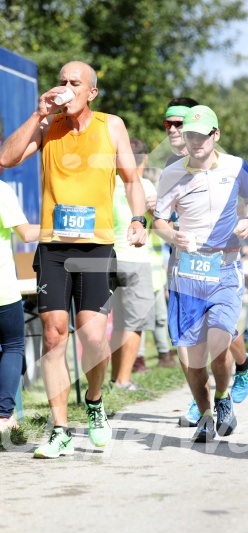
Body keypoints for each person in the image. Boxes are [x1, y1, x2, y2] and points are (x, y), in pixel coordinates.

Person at [0, 61, 147, 458]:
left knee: (93, 337)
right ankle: (60, 427)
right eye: (61, 81)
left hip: (96, 246)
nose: (64, 87)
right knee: (53, 335)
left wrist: (137, 219)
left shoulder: (110, 125)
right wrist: (38, 113)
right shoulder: (48, 127)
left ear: (91, 92)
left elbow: (132, 181)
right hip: (53, 246)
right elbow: (6, 160)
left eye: (73, 83)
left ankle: (95, 403)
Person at [154, 105, 248, 442]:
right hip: (187, 275)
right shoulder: (172, 174)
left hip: (225, 269)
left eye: (203, 135)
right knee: (194, 356)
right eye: (190, 135)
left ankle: (223, 396)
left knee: (218, 343)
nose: (196, 141)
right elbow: (158, 220)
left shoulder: (235, 167)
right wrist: (172, 235)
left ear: (216, 135)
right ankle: (204, 415)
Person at [109, 138, 155, 389]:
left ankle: (115, 377)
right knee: (136, 323)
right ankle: (124, 381)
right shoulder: (145, 184)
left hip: (112, 258)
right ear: (144, 160)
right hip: (135, 259)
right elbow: (159, 219)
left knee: (119, 324)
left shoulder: (111, 182)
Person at [0, 180, 39, 432]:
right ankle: (3, 416)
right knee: (13, 345)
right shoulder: (2, 190)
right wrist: (58, 224)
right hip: (3, 289)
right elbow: (26, 233)